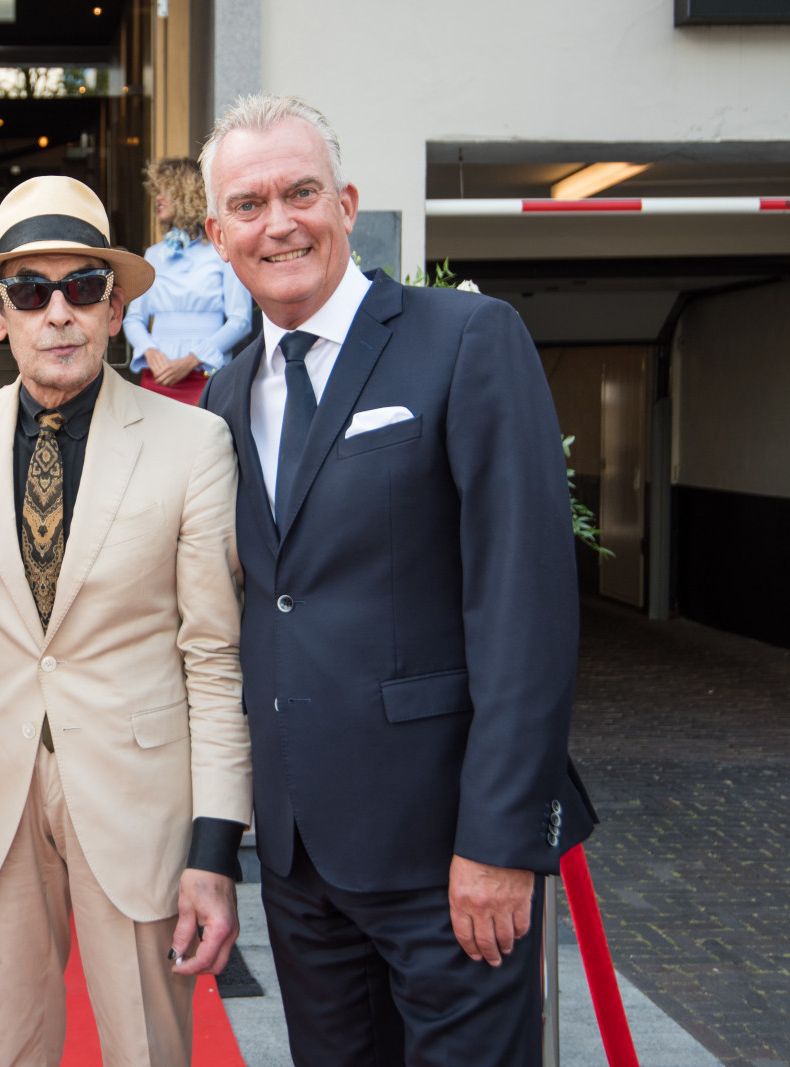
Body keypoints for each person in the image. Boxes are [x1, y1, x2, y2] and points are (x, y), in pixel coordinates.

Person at [198, 93, 596, 1065]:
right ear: (217, 235)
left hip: (447, 852)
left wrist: (500, 839)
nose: (278, 223)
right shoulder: (227, 392)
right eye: (248, 204)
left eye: (300, 192)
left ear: (346, 204)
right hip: (299, 861)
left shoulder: (465, 338)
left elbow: (525, 609)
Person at [0, 175, 253, 1067]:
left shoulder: (194, 442)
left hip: (141, 800)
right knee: (10, 1049)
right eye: (30, 291)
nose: (57, 313)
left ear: (115, 308)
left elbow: (213, 657)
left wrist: (216, 846)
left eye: (83, 288)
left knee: (148, 1048)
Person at [122, 157, 252, 404]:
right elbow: (134, 318)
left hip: (206, 378)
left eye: (166, 189)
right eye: (157, 190)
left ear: (189, 193)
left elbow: (241, 321)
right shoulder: (154, 255)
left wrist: (192, 360)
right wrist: (149, 351)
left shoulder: (222, 252)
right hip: (157, 378)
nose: (158, 197)